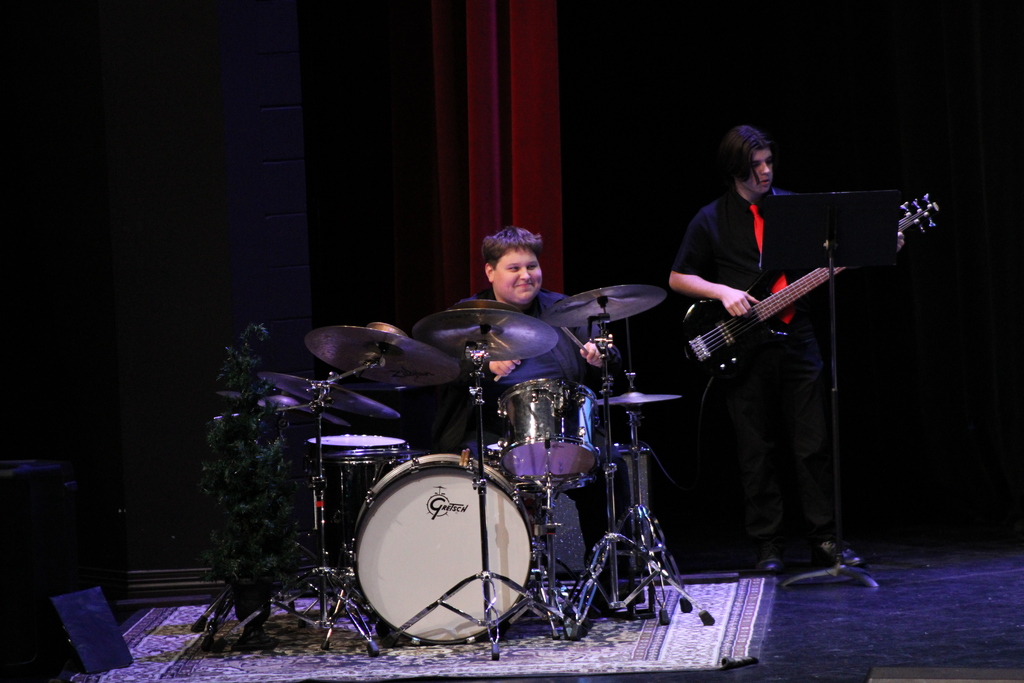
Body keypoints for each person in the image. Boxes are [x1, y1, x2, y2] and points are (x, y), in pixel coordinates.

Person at [668, 125, 864, 572]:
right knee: (755, 448)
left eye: (768, 163)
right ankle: (768, 545)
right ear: (734, 170)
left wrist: (877, 244)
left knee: (813, 442)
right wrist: (721, 291)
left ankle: (825, 541)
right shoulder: (711, 217)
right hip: (743, 341)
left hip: (797, 335)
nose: (764, 172)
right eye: (754, 166)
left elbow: (839, 251)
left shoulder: (796, 209)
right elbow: (678, 277)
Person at [432, 226, 623, 555]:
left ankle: (604, 579)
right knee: (468, 475)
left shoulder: (563, 309)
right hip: (491, 432)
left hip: (564, 429)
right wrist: (484, 365)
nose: (526, 276)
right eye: (514, 268)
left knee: (610, 465)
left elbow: (610, 361)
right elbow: (439, 364)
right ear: (490, 271)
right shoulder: (465, 316)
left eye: (531, 266)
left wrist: (601, 356)